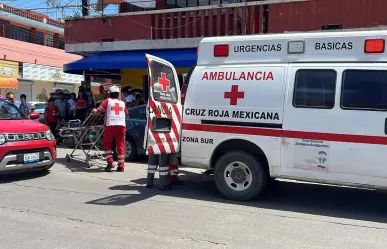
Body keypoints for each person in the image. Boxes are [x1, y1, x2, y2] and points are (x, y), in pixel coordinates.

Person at [92, 85, 128, 172]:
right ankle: (121, 166)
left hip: (110, 125)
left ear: (110, 94)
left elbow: (98, 111)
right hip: (121, 125)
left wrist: (94, 111)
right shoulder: (123, 103)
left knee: (107, 143)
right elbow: (126, 113)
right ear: (118, 94)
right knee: (120, 145)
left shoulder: (107, 101)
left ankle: (110, 162)